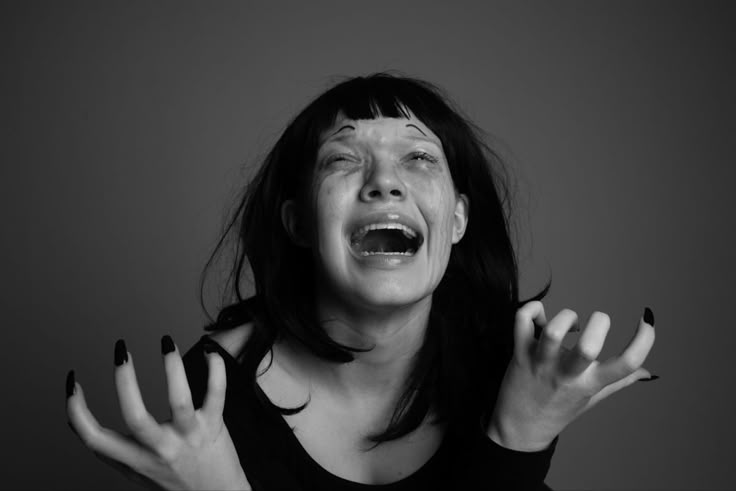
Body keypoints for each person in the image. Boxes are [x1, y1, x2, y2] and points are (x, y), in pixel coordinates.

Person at [65, 73, 657, 490]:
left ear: (456, 221)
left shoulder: (519, 374)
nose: (385, 183)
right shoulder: (209, 397)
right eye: (343, 159)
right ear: (299, 223)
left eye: (419, 158)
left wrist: (519, 433)